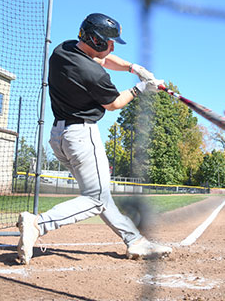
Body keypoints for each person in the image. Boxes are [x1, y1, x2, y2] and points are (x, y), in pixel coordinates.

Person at [16, 13, 170, 265]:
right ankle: (37, 224)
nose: (111, 47)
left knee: (99, 194)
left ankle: (135, 241)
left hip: (59, 136)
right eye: (108, 42)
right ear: (95, 41)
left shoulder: (62, 50)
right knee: (96, 198)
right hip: (82, 136)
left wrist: (135, 68)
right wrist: (141, 88)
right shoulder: (93, 74)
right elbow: (114, 103)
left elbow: (105, 59)